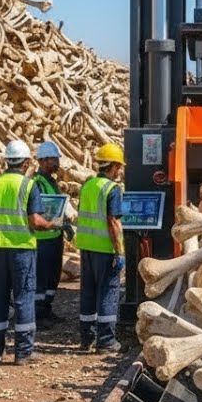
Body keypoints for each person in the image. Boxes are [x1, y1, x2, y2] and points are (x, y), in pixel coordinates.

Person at [0, 139, 60, 364]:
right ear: (25, 163)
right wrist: (53, 224)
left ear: (6, 161)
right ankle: (23, 352)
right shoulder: (28, 185)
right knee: (24, 299)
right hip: (22, 249)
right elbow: (35, 221)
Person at [76, 143, 126, 353]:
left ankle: (87, 338)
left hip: (86, 247)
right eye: (119, 167)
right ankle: (106, 341)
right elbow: (112, 221)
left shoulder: (88, 185)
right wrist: (120, 251)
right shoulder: (111, 189)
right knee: (108, 291)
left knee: (88, 291)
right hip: (105, 249)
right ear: (114, 166)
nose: (120, 171)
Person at [33, 141, 65, 322]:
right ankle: (38, 313)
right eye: (53, 159)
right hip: (42, 237)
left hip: (54, 235)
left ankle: (47, 308)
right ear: (42, 161)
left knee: (53, 275)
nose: (56, 163)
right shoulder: (38, 183)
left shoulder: (51, 181)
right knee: (42, 277)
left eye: (57, 159)